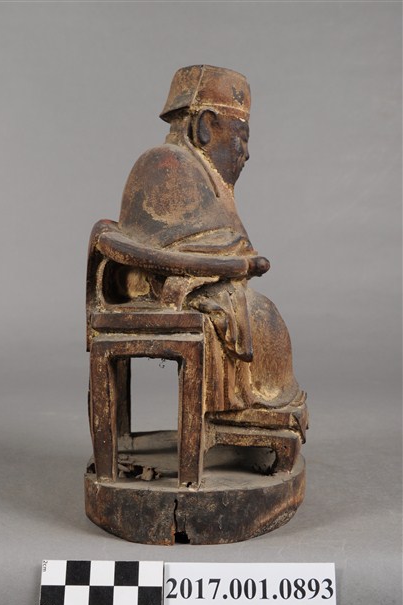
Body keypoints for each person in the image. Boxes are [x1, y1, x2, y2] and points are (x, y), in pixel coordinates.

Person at [92, 65, 307, 420]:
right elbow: (171, 251)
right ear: (206, 125)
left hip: (190, 280)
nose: (246, 153)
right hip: (158, 285)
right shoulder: (166, 163)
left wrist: (236, 262)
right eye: (242, 137)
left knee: (258, 313)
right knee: (257, 316)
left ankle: (247, 414)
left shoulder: (198, 172)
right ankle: (242, 415)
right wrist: (238, 264)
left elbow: (215, 243)